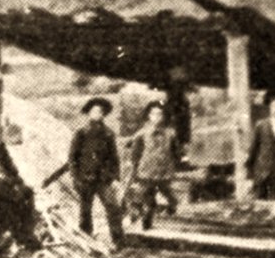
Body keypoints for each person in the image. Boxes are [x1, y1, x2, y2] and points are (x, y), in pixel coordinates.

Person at [44, 97, 123, 242]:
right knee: (85, 210)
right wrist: (76, 178)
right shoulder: (81, 133)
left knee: (112, 207)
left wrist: (115, 177)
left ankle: (118, 240)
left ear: (104, 114)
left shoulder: (108, 134)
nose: (97, 114)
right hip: (85, 178)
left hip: (104, 179)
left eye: (100, 112)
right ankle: (86, 239)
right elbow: (72, 158)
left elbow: (114, 157)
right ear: (89, 113)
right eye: (94, 111)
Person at [126, 100, 181, 229]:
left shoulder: (170, 134)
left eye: (160, 114)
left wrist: (173, 165)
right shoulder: (141, 134)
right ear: (149, 116)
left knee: (170, 197)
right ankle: (144, 223)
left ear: (164, 116)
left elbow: (176, 153)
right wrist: (134, 170)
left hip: (164, 173)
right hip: (146, 172)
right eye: (153, 114)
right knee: (146, 197)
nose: (157, 117)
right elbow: (135, 155)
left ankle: (170, 209)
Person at [163, 65, 194, 155]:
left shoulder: (178, 97)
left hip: (178, 113)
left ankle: (180, 150)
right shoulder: (176, 96)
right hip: (178, 113)